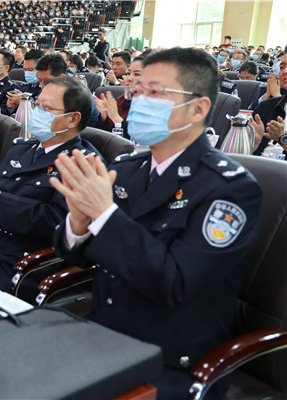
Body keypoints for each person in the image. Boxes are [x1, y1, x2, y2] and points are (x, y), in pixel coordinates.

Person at [49, 47, 262, 399]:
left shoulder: (229, 189)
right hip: (103, 330)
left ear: (198, 109)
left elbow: (174, 284)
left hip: (170, 357)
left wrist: (104, 214)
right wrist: (79, 221)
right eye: (138, 90)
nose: (138, 100)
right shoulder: (129, 167)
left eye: (155, 92)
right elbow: (75, 256)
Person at [0, 76, 102, 292]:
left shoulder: (83, 165)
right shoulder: (22, 148)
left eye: (46, 108)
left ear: (73, 119)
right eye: (37, 105)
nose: (37, 113)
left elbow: (58, 223)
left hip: (18, 264)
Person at [95, 54, 146, 135]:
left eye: (136, 74)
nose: (129, 78)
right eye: (128, 73)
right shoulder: (121, 100)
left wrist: (116, 118)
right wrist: (105, 116)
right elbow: (102, 137)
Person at [251, 53, 287, 156]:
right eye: (282, 67)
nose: (285, 71)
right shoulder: (266, 107)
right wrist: (253, 143)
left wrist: (282, 139)